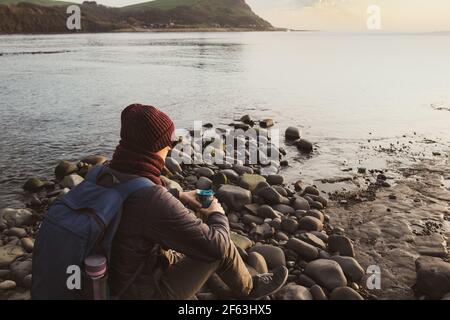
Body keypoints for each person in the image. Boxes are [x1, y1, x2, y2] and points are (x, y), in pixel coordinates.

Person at [103, 103, 288, 300]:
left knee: (191, 248)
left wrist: (177, 195)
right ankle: (250, 289)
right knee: (218, 247)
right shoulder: (151, 199)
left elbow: (129, 198)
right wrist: (217, 214)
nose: (170, 148)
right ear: (156, 147)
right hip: (137, 293)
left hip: (111, 278)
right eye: (169, 143)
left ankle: (220, 286)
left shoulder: (103, 174)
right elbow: (216, 246)